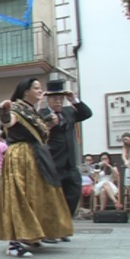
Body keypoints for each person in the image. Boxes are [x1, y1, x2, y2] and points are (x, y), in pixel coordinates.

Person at [0, 78, 73, 257]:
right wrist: (4, 112)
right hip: (21, 156)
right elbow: (9, 122)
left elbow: (36, 134)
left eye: (40, 88)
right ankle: (14, 243)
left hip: (36, 156)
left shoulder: (32, 111)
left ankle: (31, 235)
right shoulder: (17, 107)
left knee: (37, 195)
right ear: (26, 91)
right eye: (37, 88)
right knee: (20, 197)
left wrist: (48, 124)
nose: (40, 91)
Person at [38, 79, 92, 243]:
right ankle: (48, 232)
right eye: (55, 99)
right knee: (52, 200)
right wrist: (49, 124)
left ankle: (61, 227)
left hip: (70, 163)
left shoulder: (69, 111)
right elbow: (37, 133)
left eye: (61, 98)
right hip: (53, 164)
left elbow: (87, 114)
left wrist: (74, 100)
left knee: (73, 194)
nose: (59, 101)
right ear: (49, 99)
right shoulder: (41, 114)